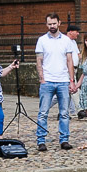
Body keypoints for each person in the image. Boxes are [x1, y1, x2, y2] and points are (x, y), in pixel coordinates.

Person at [33, 13, 78, 153]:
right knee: (43, 112)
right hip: (47, 80)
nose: (52, 26)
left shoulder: (66, 40)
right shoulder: (42, 40)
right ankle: (41, 140)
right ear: (46, 25)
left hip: (63, 80)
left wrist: (71, 80)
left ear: (59, 23)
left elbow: (69, 61)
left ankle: (64, 139)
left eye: (54, 23)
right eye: (49, 24)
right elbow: (39, 60)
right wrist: (42, 78)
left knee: (64, 113)